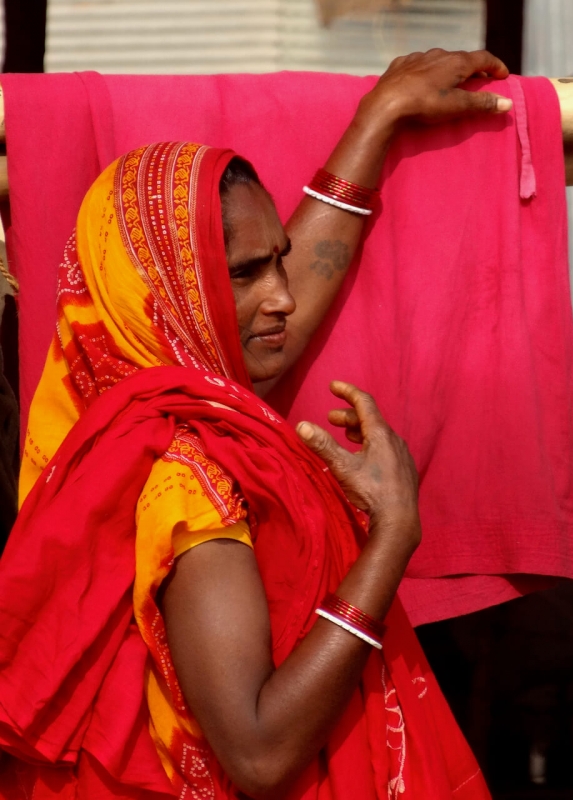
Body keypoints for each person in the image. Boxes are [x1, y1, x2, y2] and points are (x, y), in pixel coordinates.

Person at [1, 50, 513, 799]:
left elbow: (270, 293)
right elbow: (260, 754)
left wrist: (377, 118)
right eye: (244, 274)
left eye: (279, 262)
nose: (282, 298)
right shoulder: (183, 475)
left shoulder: (122, 393)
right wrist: (393, 536)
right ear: (180, 291)